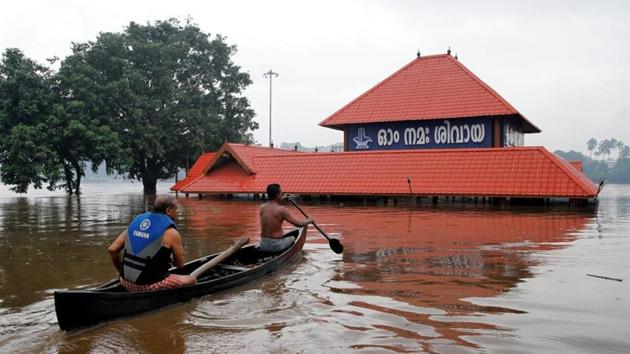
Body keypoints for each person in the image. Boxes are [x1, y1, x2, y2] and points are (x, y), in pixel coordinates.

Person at [108, 195, 197, 292]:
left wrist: (121, 272)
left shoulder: (136, 221)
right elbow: (179, 265)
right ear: (168, 211)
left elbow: (112, 249)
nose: (177, 212)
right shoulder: (171, 233)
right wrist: (170, 260)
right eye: (176, 209)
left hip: (124, 281)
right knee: (192, 279)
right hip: (148, 286)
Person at [259, 183, 313, 252]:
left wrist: (282, 198)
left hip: (263, 244)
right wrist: (309, 220)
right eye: (281, 193)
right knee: (292, 238)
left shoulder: (262, 207)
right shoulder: (282, 210)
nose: (282, 194)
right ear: (278, 194)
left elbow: (272, 205)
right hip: (276, 245)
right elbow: (299, 224)